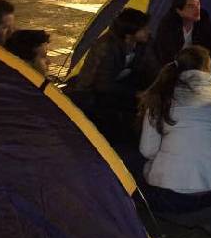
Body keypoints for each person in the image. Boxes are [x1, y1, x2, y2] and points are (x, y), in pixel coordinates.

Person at [139, 46, 211, 213]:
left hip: (171, 197)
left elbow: (147, 150)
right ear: (207, 69)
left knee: (130, 163)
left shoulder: (161, 97)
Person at [66, 8, 155, 143]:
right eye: (144, 29)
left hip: (119, 82)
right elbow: (102, 84)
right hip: (92, 93)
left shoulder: (143, 43)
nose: (148, 31)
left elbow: (152, 65)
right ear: (129, 33)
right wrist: (136, 94)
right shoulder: (106, 47)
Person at [153, 0, 211, 66]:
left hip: (199, 62)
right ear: (179, 11)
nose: (197, 9)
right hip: (176, 64)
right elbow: (166, 56)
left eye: (198, 4)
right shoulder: (168, 25)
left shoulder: (203, 17)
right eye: (191, 6)